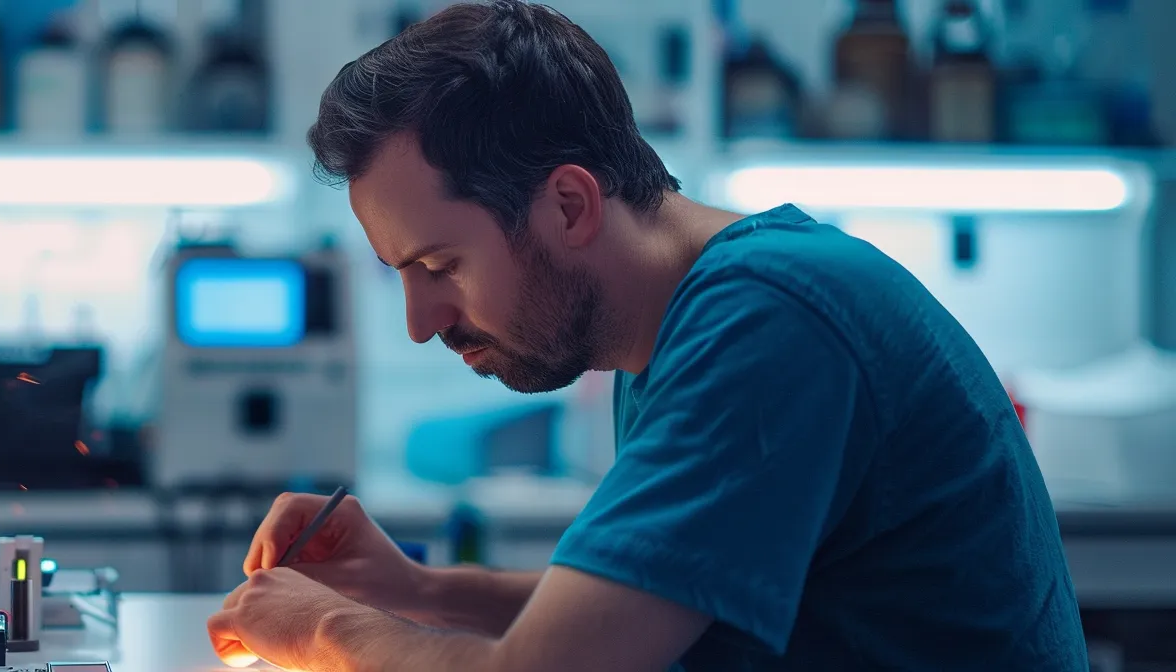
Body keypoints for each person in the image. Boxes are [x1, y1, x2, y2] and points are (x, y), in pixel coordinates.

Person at [204, 1, 1087, 670]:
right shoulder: (669, 332)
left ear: (570, 204)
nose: (421, 320)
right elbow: (618, 617)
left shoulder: (769, 320)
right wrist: (414, 591)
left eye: (440, 265)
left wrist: (324, 627)